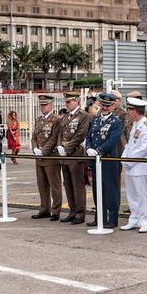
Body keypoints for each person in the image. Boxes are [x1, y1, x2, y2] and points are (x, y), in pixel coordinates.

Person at [85, 92, 124, 227]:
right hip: (96, 161)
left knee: (110, 190)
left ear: (113, 106)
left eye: (108, 105)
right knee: (97, 190)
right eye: (103, 105)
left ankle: (112, 219)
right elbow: (89, 137)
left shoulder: (116, 122)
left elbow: (113, 140)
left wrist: (98, 151)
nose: (105, 108)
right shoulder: (95, 120)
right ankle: (99, 217)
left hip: (108, 160)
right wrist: (89, 148)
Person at [56, 91, 91, 224]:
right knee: (68, 185)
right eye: (66, 102)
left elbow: (81, 135)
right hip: (64, 156)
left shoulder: (83, 116)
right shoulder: (66, 116)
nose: (67, 104)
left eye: (69, 101)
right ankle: (72, 211)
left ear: (76, 101)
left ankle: (80, 213)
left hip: (75, 155)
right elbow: (60, 133)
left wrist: (67, 149)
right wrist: (59, 146)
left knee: (77, 186)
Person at [121, 97, 147, 233]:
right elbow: (130, 144)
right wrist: (124, 157)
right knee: (131, 194)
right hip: (130, 165)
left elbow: (143, 148)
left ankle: (145, 221)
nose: (128, 112)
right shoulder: (135, 123)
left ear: (135, 111)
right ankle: (134, 219)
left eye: (129, 109)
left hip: (139, 166)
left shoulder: (146, 125)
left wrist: (129, 161)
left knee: (141, 195)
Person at [30, 95, 63, 220]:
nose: (42, 107)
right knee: (42, 185)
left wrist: (43, 151)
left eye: (45, 105)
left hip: (51, 156)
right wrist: (35, 149)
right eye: (41, 105)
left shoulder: (56, 120)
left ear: (51, 106)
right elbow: (34, 137)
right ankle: (44, 209)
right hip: (39, 157)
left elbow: (54, 138)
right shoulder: (39, 120)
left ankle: (56, 211)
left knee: (55, 186)